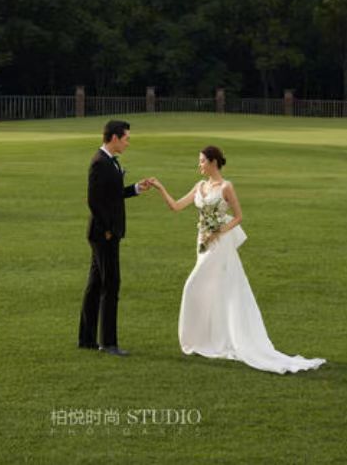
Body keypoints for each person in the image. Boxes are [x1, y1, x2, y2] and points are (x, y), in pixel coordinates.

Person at [152, 146, 325, 374]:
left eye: (202, 161)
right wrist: (159, 187)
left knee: (192, 286)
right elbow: (176, 206)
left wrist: (218, 231)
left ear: (213, 162)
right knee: (213, 289)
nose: (199, 165)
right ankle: (208, 339)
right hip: (202, 243)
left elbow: (240, 216)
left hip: (219, 245)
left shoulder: (226, 187)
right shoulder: (199, 186)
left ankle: (202, 339)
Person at [78, 119, 154, 357]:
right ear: (114, 138)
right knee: (111, 285)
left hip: (105, 233)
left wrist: (136, 189)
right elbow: (93, 200)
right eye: (126, 138)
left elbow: (113, 195)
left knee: (95, 285)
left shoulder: (109, 162)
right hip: (104, 235)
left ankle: (87, 339)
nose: (127, 143)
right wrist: (108, 229)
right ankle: (108, 343)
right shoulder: (100, 163)